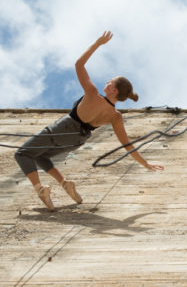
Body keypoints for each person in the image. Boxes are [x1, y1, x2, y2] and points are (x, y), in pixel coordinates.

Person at [15, 31, 164, 211]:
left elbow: (79, 64)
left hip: (64, 128)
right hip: (78, 140)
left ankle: (40, 189)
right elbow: (126, 145)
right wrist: (145, 163)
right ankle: (64, 183)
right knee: (40, 155)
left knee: (22, 153)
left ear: (114, 90)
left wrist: (97, 44)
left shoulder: (93, 93)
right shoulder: (115, 116)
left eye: (110, 81)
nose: (107, 82)